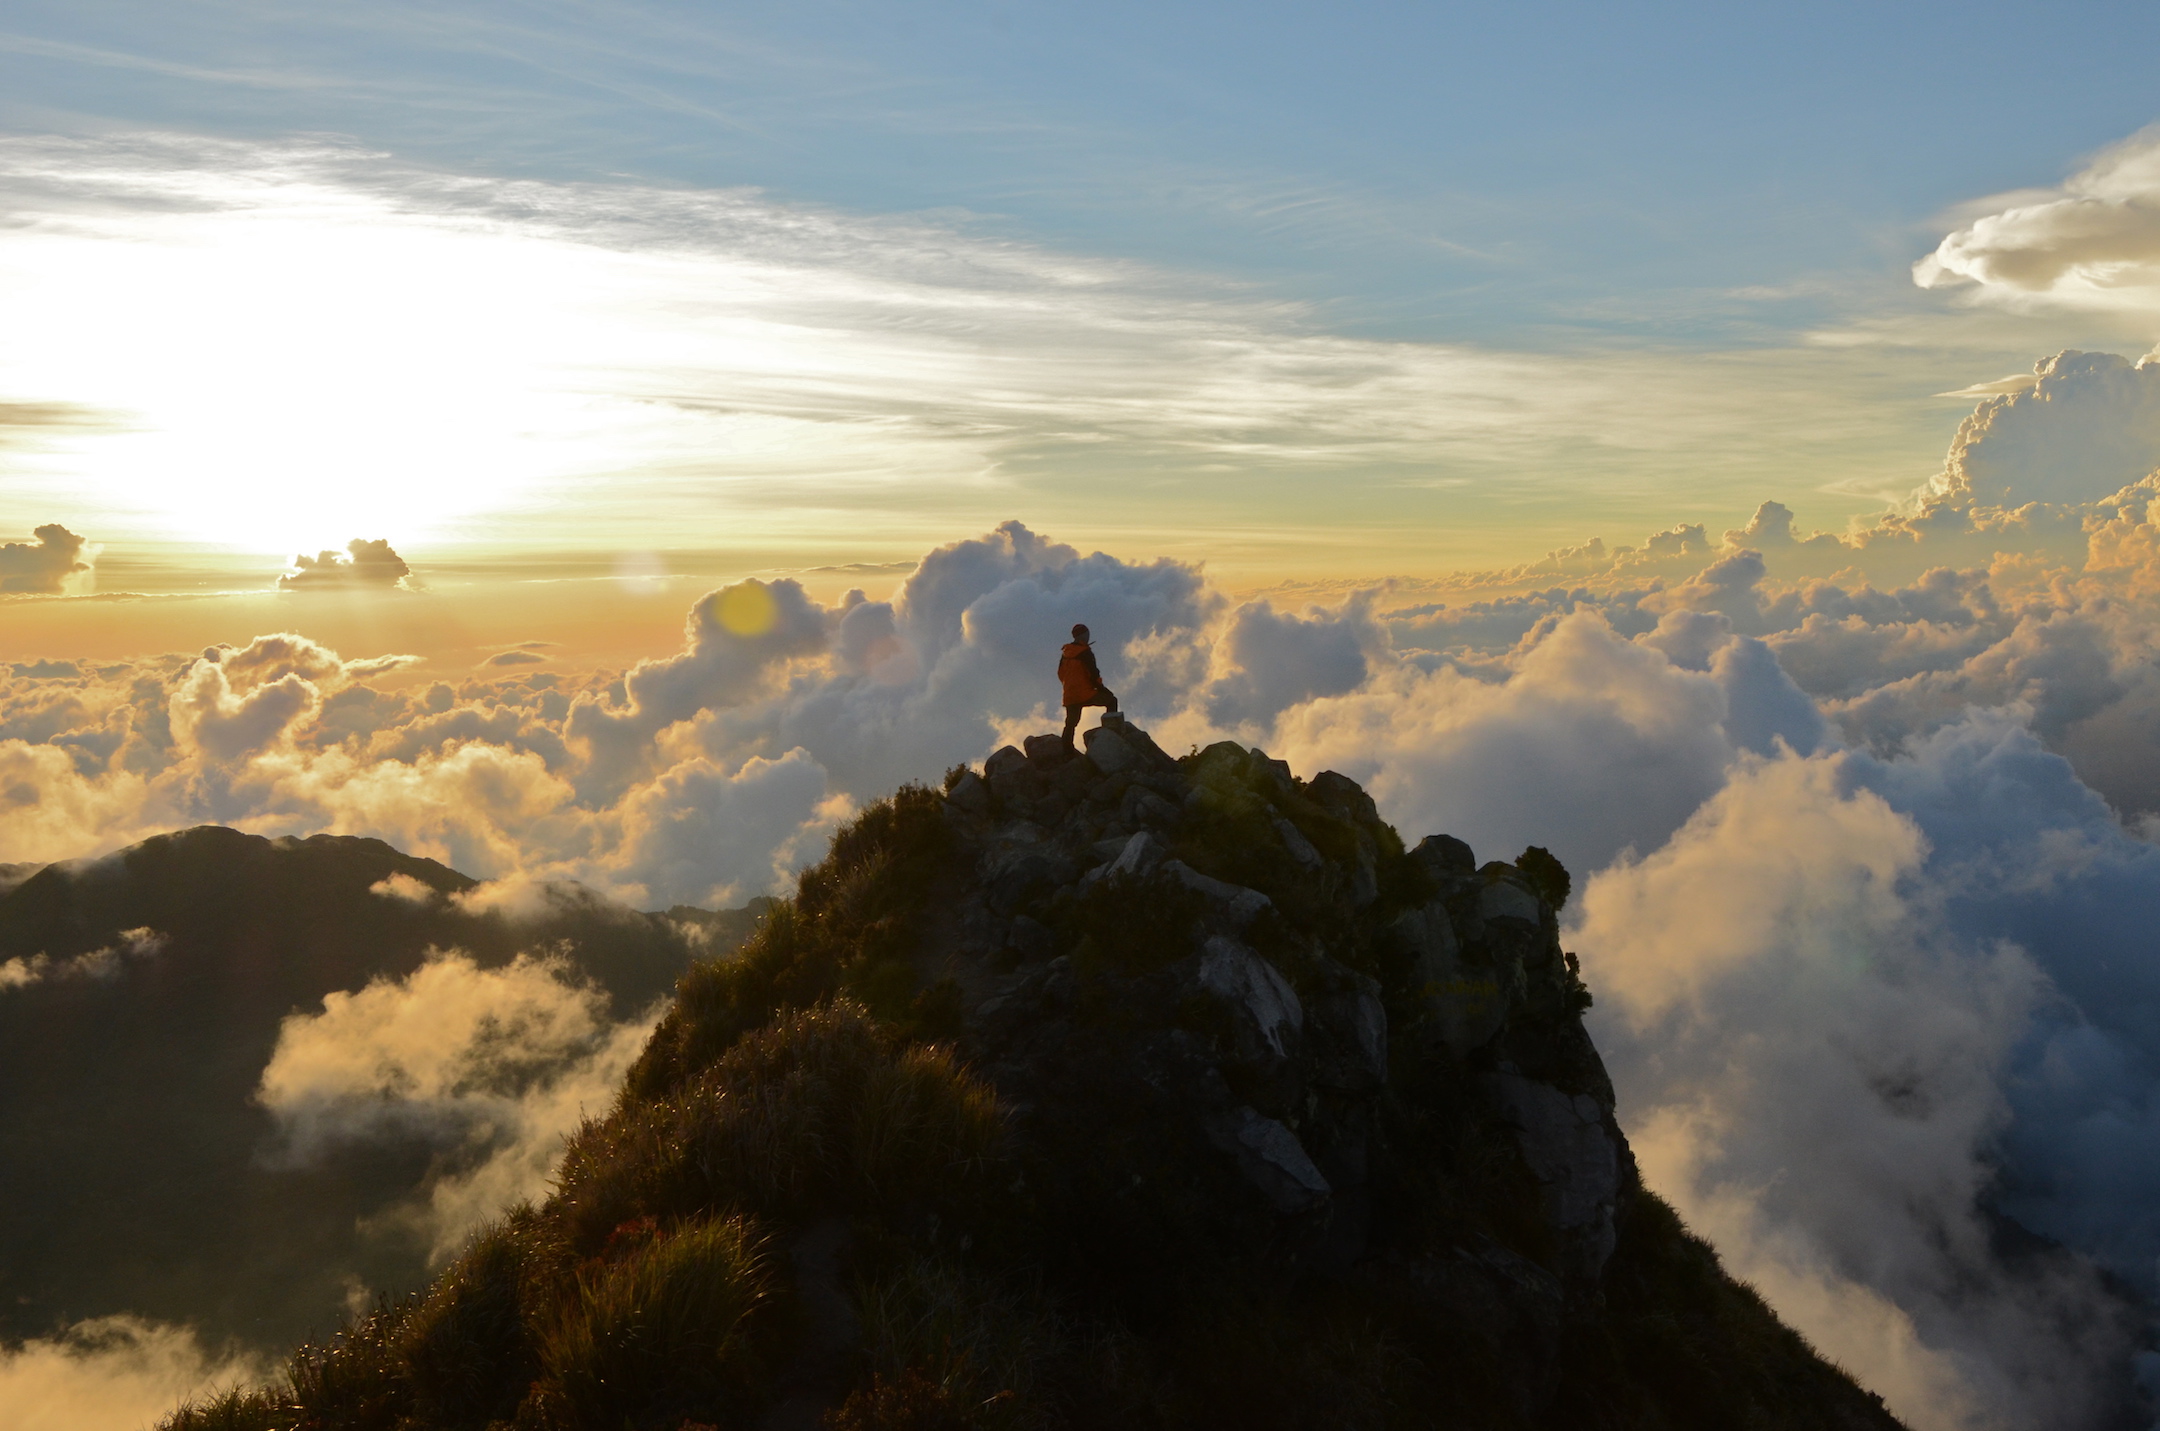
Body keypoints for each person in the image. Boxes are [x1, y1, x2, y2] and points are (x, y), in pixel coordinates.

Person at [1058, 623, 1118, 750]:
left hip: (1069, 695)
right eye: (1087, 634)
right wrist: (1102, 689)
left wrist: (1070, 686)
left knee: (1071, 723)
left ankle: (1066, 749)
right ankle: (1111, 734)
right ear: (1083, 636)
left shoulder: (1065, 654)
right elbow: (1093, 674)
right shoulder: (1085, 652)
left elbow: (1060, 674)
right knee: (1111, 700)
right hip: (1085, 693)